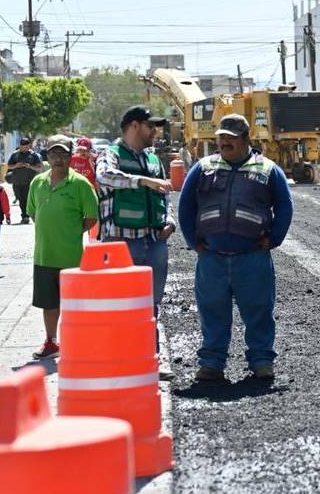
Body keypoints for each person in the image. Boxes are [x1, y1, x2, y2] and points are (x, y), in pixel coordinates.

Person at [178, 114, 293, 382]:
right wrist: (192, 241)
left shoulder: (268, 169)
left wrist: (274, 239)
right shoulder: (203, 167)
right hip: (212, 259)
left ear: (245, 139)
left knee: (259, 311)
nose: (224, 142)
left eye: (230, 137)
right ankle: (211, 364)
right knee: (211, 312)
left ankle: (262, 362)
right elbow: (185, 205)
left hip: (252, 259)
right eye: (221, 137)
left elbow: (285, 205)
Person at [97, 106, 176, 321]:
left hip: (155, 242)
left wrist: (170, 222)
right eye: (150, 126)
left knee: (151, 306)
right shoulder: (111, 153)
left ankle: (149, 341)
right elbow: (104, 176)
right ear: (134, 125)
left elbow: (164, 196)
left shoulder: (153, 159)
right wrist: (142, 181)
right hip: (121, 244)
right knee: (120, 305)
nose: (155, 131)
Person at [27, 136, 99, 359]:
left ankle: (77, 343)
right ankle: (51, 342)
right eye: (53, 154)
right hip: (44, 255)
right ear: (47, 156)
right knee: (48, 304)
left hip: (71, 257)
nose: (57, 159)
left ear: (70, 156)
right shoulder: (37, 182)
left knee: (74, 304)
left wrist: (72, 231)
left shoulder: (80, 184)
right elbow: (33, 212)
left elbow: (91, 217)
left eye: (63, 154)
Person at [7, 138, 43, 224]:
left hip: (29, 182)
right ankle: (25, 215)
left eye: (26, 146)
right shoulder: (15, 154)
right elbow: (9, 166)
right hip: (17, 181)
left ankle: (25, 216)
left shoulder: (33, 155)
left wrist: (29, 166)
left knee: (27, 199)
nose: (24, 148)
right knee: (21, 199)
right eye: (22, 146)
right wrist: (16, 165)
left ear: (29, 146)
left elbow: (39, 168)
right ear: (20, 146)